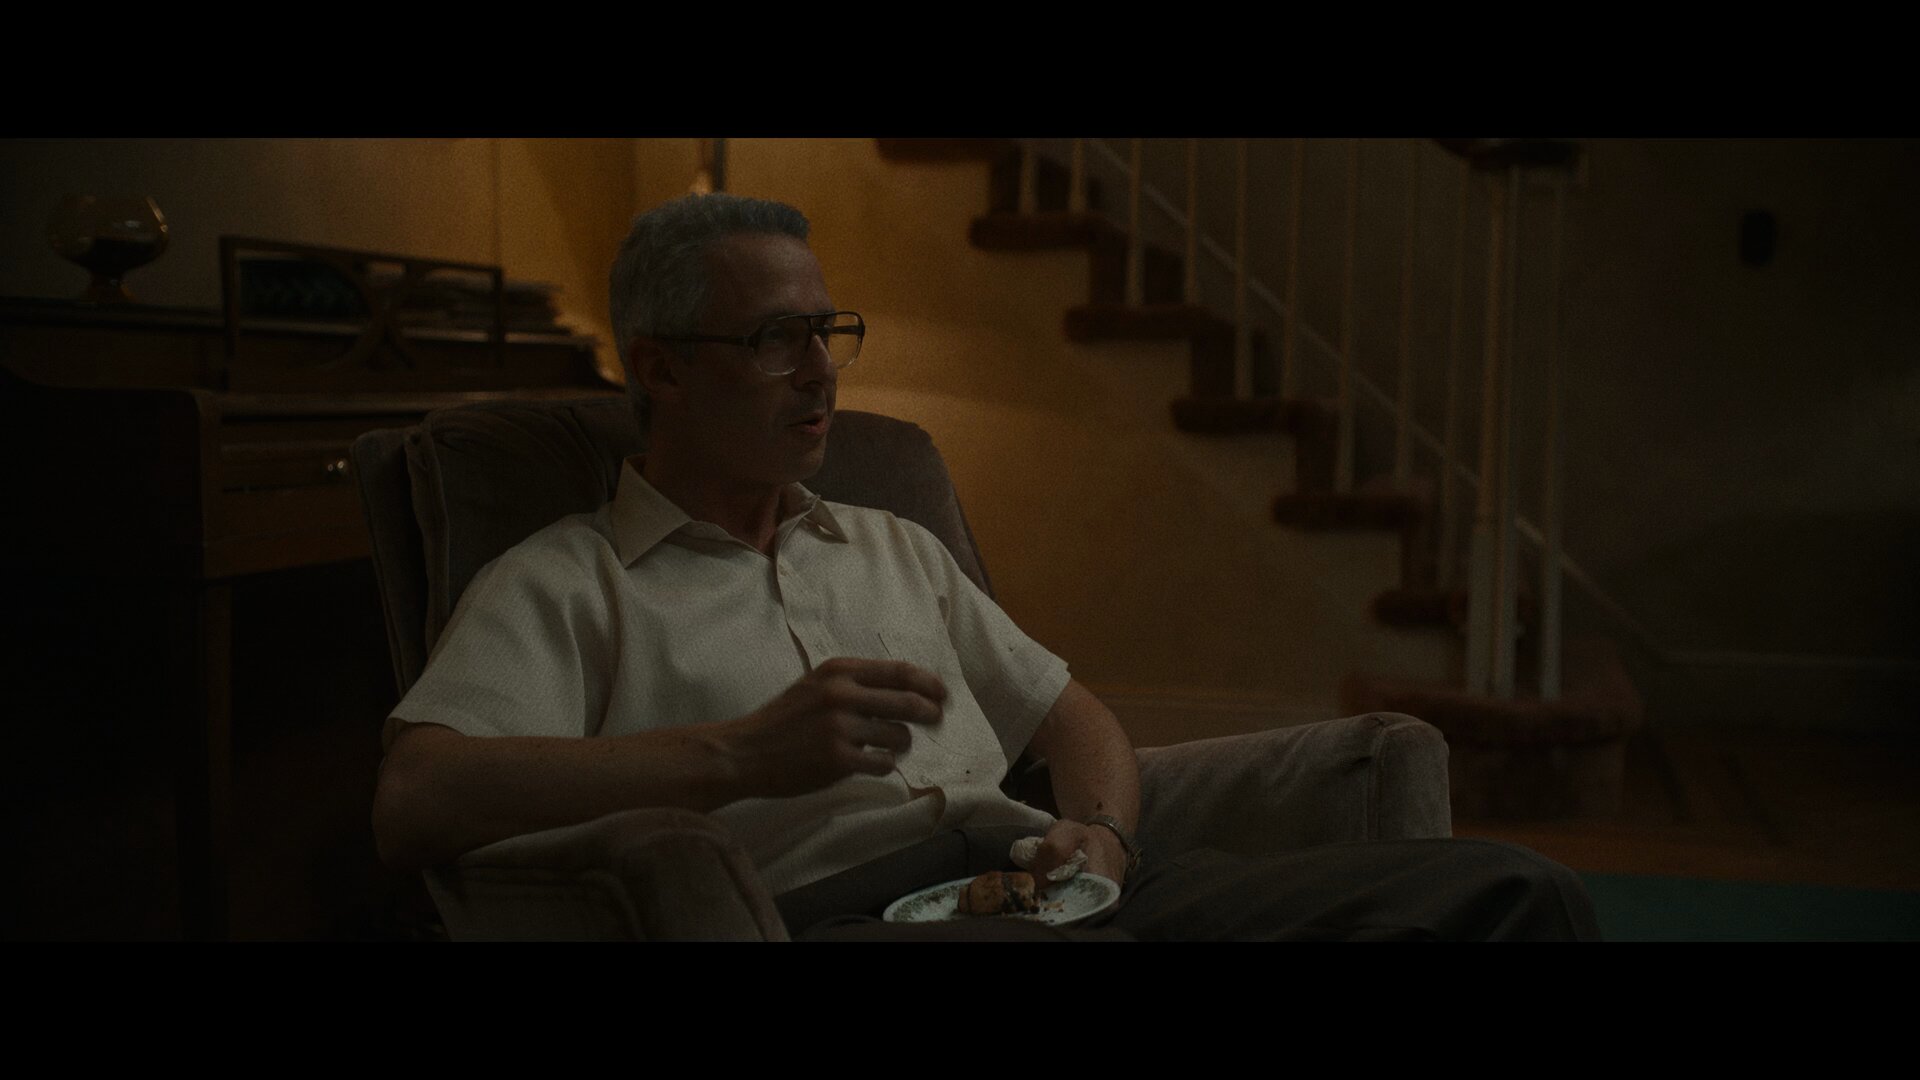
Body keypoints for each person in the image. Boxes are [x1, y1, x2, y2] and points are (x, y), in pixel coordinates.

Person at [371, 192, 1600, 941]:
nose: (821, 371)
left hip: (1054, 888)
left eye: (826, 331)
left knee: (1509, 895)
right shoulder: (569, 582)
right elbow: (417, 796)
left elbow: (1073, 715)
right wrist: (739, 757)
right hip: (847, 915)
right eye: (776, 339)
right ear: (661, 368)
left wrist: (1103, 837)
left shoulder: (890, 544)